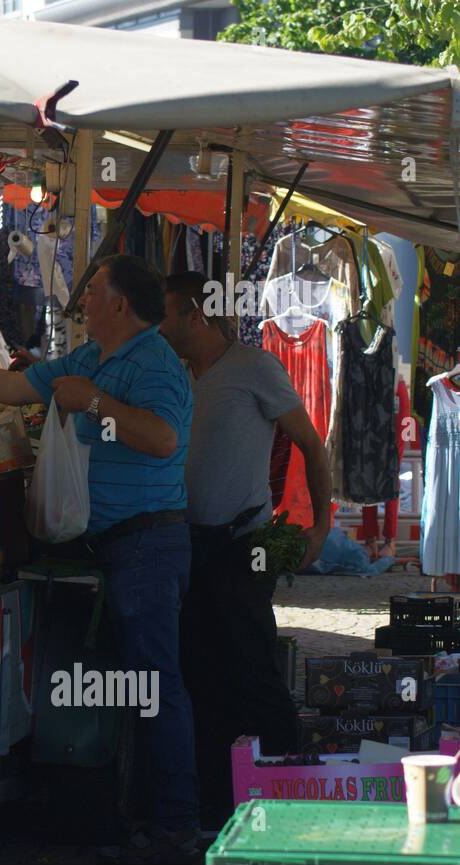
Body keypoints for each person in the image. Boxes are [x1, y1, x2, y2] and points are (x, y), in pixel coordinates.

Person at [0, 254, 200, 849]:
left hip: (149, 542)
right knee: (140, 683)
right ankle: (136, 815)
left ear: (122, 304)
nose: (84, 301)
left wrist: (95, 402)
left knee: (156, 683)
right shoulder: (89, 357)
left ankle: (176, 826)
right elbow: (10, 386)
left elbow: (162, 438)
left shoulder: (152, 361)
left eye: (95, 290)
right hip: (115, 544)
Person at [160, 271, 327, 829]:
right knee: (201, 676)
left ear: (194, 316)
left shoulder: (254, 366)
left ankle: (287, 798)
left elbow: (311, 444)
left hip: (243, 544)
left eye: (164, 316)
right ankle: (219, 803)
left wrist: (320, 527)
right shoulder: (177, 375)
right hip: (189, 547)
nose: (158, 328)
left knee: (253, 672)